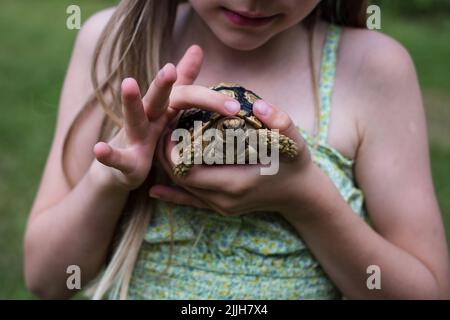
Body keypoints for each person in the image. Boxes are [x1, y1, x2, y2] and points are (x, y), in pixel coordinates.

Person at [24, 0, 449, 299]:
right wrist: (109, 177)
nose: (250, 0)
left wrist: (305, 198)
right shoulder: (112, 43)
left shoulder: (375, 69)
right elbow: (47, 279)